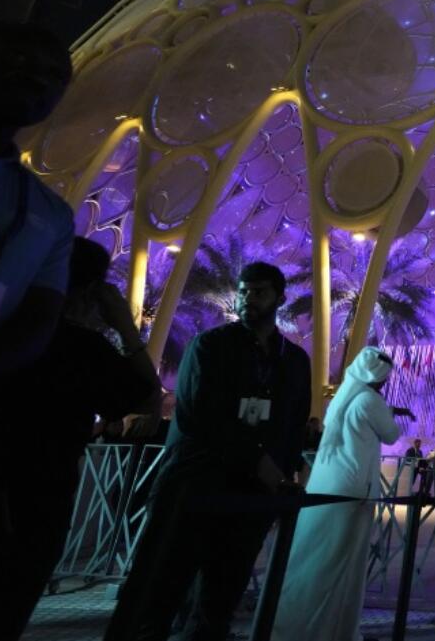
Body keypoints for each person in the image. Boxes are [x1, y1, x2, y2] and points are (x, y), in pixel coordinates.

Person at [104, 262, 311, 641]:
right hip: (194, 485)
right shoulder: (211, 346)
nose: (249, 299)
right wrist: (258, 461)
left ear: (280, 298)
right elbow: (200, 415)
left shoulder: (294, 361)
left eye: (259, 292)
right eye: (244, 291)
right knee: (158, 589)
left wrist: (284, 471)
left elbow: (295, 423)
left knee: (220, 598)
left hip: (250, 497)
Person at [0, 237, 160, 640]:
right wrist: (123, 323)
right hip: (36, 500)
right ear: (90, 292)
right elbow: (147, 396)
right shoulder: (79, 348)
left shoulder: (1, 324)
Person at [272, 348, 412, 641]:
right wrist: (389, 410)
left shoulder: (343, 399)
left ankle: (294, 623)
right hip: (353, 492)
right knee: (342, 564)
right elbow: (391, 434)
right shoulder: (370, 400)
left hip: (329, 485)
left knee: (316, 556)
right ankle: (331, 630)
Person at [0, 21, 75, 378]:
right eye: (21, 60)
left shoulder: (49, 214)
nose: (38, 81)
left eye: (55, 75)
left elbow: (37, 323)